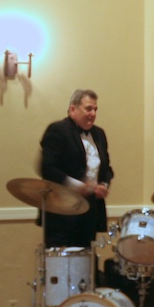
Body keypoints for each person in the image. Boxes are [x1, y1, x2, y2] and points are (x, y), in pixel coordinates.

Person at [39, 89, 113, 248]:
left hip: (90, 211)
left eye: (95, 109)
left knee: (87, 263)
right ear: (73, 109)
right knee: (62, 266)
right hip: (62, 212)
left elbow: (107, 169)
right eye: (88, 108)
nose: (93, 113)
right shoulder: (58, 130)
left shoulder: (99, 134)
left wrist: (104, 185)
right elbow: (48, 168)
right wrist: (80, 186)